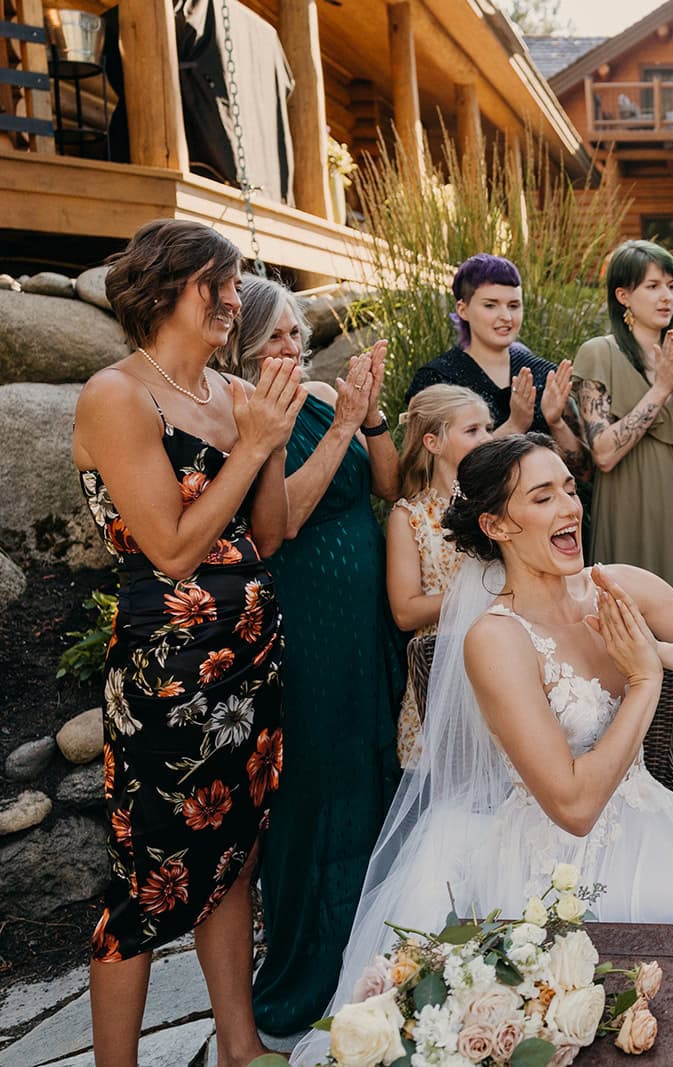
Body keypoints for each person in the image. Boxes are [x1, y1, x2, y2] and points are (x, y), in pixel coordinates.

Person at [296, 435, 673, 1061]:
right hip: (551, 864)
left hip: (651, 821)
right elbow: (572, 804)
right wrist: (644, 682)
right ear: (497, 525)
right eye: (543, 496)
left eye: (569, 487)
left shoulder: (614, 586)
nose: (570, 506)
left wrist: (655, 653)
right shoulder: (496, 640)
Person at [73, 219, 304, 1067]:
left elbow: (268, 533)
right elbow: (171, 549)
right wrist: (251, 446)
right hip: (168, 679)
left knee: (233, 860)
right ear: (172, 286)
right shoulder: (116, 395)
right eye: (224, 283)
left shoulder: (232, 394)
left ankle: (240, 1049)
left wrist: (268, 441)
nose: (237, 300)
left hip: (249, 671)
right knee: (148, 885)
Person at [211, 275, 406, 1033]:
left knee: (371, 764)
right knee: (315, 781)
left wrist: (371, 413)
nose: (291, 348)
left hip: (365, 614)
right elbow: (279, 522)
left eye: (297, 333)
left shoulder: (327, 398)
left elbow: (384, 483)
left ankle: (383, 950)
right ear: (241, 345)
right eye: (274, 336)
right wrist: (336, 430)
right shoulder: (248, 415)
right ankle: (306, 970)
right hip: (304, 617)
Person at [572, 240, 673, 791]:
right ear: (623, 296)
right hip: (632, 508)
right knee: (631, 636)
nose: (665, 296)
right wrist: (661, 391)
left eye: (670, 285)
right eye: (651, 286)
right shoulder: (598, 353)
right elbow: (605, 450)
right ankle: (636, 779)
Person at [387, 384, 496, 767]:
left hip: (503, 659)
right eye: (472, 431)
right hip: (442, 669)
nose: (487, 438)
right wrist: (476, 596)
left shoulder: (500, 507)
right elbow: (404, 611)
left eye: (488, 428)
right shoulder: (410, 518)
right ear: (433, 442)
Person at [403, 253, 581, 456]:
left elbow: (584, 473)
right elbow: (426, 469)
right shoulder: (437, 379)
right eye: (490, 305)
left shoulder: (544, 374)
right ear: (463, 310)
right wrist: (515, 425)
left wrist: (556, 423)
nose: (506, 317)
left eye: (513, 306)